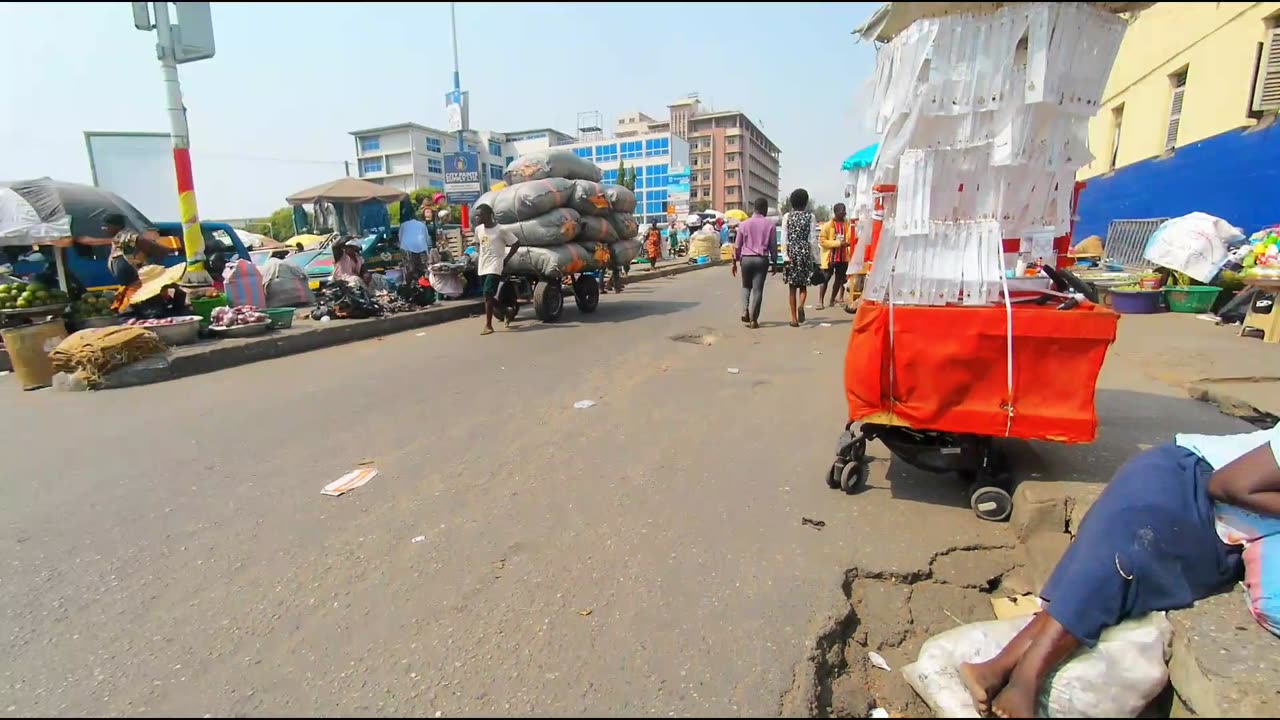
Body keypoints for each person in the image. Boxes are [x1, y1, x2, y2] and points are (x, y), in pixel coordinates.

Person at [953, 425, 1280, 718]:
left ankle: (995, 669)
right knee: (1124, 563)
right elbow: (1228, 484)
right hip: (1183, 481)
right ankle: (1027, 679)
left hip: (1214, 526)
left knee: (1121, 585)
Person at [473, 201, 520, 336]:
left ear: (489, 215)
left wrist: (506, 259)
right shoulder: (479, 230)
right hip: (483, 265)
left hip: (495, 265)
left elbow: (516, 243)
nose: (477, 218)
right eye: (476, 216)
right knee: (487, 295)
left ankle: (488, 325)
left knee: (488, 294)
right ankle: (506, 311)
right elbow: (478, 244)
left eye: (480, 216)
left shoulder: (501, 230)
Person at [731, 197, 778, 329]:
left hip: (746, 259)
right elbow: (773, 246)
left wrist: (734, 262)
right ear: (765, 209)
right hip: (761, 259)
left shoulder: (744, 224)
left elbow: (737, 245)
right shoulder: (770, 225)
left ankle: (745, 310)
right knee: (758, 290)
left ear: (754, 208)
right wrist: (774, 262)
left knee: (746, 286)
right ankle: (753, 319)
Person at [782, 188, 819, 327]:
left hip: (792, 252)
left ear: (792, 202)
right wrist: (817, 259)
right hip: (804, 251)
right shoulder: (811, 217)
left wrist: (785, 256)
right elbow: (813, 240)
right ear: (806, 202)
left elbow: (784, 238)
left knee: (792, 287)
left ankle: (794, 319)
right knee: (803, 285)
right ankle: (801, 305)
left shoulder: (787, 217)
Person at [817, 203, 852, 310]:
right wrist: (837, 243)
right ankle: (820, 301)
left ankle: (832, 299)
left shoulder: (848, 224)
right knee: (825, 279)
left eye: (845, 211)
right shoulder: (827, 225)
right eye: (842, 211)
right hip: (830, 257)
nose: (844, 213)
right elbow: (822, 241)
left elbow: (851, 238)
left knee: (840, 280)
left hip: (843, 257)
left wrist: (847, 243)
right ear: (836, 212)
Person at [398, 207, 431, 286]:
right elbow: (427, 239)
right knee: (424, 269)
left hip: (407, 248)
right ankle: (426, 285)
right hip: (421, 248)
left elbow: (400, 238)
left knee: (409, 269)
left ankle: (408, 286)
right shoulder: (422, 224)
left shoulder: (403, 225)